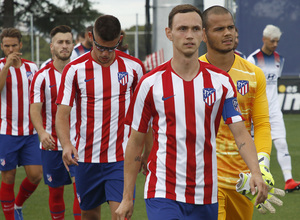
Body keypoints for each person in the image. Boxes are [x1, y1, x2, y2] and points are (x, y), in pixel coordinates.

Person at [116, 4, 268, 220]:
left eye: (196, 29)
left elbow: (241, 132)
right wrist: (127, 197)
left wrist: (256, 171)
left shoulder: (221, 82)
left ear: (203, 34)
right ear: (169, 33)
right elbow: (135, 141)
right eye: (182, 29)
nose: (189, 35)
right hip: (162, 190)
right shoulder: (150, 84)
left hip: (206, 194)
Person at [55, 15, 146, 220]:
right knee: (89, 216)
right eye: (100, 47)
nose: (105, 53)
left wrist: (147, 149)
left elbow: (145, 113)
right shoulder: (74, 70)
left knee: (120, 215)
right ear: (90, 37)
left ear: (120, 40)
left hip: (122, 157)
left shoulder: (134, 67)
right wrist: (67, 144)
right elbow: (62, 114)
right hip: (86, 158)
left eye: (111, 48)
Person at [198, 6, 275, 219]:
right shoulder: (194, 72)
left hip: (244, 179)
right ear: (204, 34)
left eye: (231, 27)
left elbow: (260, 124)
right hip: (207, 180)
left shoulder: (253, 74)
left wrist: (261, 166)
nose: (228, 33)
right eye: (219, 29)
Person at [29, 25, 81, 220]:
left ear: (73, 45)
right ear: (52, 46)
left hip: (78, 143)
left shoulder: (80, 72)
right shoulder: (41, 76)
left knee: (80, 193)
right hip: (52, 144)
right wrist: (42, 132)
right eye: (60, 42)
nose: (64, 46)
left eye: (68, 42)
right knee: (56, 193)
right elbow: (34, 108)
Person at [247, 24, 300, 193]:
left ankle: (289, 180)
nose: (275, 44)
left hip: (275, 110)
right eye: (272, 41)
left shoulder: (279, 59)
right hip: (257, 110)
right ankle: (254, 180)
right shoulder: (252, 60)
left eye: (277, 41)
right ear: (264, 39)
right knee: (256, 147)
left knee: (282, 142)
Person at [0, 28, 43, 220]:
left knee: (36, 175)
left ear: (21, 45)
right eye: (7, 46)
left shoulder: (32, 68)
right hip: (6, 131)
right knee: (8, 178)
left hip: (30, 132)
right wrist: (7, 67)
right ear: (2, 47)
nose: (10, 49)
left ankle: (18, 205)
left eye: (14, 45)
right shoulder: (0, 66)